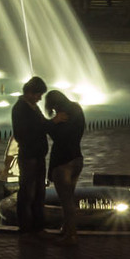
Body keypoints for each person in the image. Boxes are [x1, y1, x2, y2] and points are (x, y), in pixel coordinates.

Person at [10, 76, 62, 239]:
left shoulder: (32, 107)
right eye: (38, 94)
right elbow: (28, 131)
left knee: (39, 192)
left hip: (37, 155)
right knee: (27, 192)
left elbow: (39, 126)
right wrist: (53, 122)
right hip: (29, 156)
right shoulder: (20, 109)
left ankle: (38, 227)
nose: (40, 98)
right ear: (30, 92)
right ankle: (25, 228)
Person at [43, 89, 86, 245]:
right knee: (70, 197)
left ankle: (72, 235)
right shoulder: (77, 108)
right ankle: (66, 229)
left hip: (63, 162)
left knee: (66, 200)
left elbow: (59, 137)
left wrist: (52, 123)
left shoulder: (62, 116)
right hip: (77, 159)